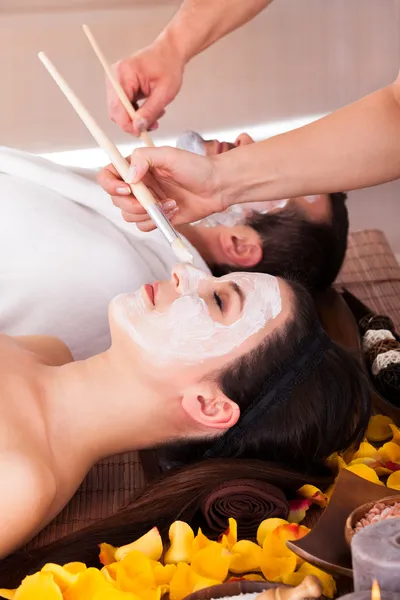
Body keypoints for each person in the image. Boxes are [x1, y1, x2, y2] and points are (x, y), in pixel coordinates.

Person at [0, 259, 370, 560]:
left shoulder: (21, 483)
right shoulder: (47, 350)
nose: (182, 271)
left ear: (209, 405)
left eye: (219, 301)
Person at [0, 146, 346, 366]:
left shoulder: (110, 273)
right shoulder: (130, 231)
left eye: (276, 184)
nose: (243, 140)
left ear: (239, 244)